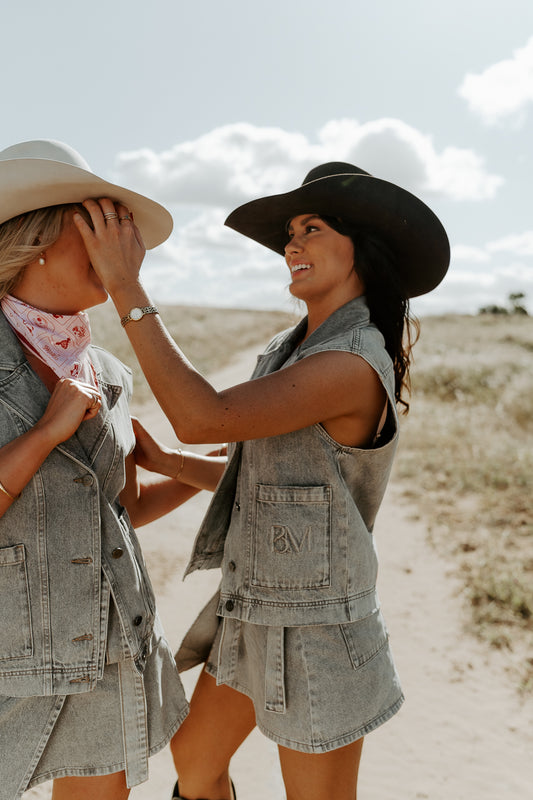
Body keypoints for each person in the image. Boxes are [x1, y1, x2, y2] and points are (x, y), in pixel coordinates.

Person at [74, 161, 450, 800]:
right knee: (195, 766)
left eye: (312, 228)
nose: (291, 245)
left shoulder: (352, 361)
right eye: (289, 233)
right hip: (250, 610)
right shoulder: (290, 347)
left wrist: (125, 285)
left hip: (320, 628)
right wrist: (167, 465)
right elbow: (272, 479)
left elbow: (203, 417)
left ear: (364, 248)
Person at [0, 140, 226, 800]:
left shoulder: (110, 372)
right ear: (39, 241)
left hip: (106, 642)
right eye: (97, 232)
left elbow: (119, 509)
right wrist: (47, 433)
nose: (120, 253)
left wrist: (194, 471)